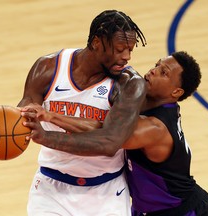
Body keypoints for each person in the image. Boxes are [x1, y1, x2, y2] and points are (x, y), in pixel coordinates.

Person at [22, 51, 208, 216]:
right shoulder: (148, 102)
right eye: (157, 65)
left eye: (163, 73)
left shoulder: (156, 127)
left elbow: (108, 133)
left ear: (176, 92)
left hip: (183, 211)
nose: (153, 71)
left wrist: (51, 117)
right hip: (148, 209)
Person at [17, 10, 147, 216]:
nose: (126, 57)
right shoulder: (48, 68)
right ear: (97, 42)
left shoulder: (130, 84)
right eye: (119, 49)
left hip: (106, 193)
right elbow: (22, 117)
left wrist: (45, 136)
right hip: (51, 190)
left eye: (130, 50)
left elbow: (109, 143)